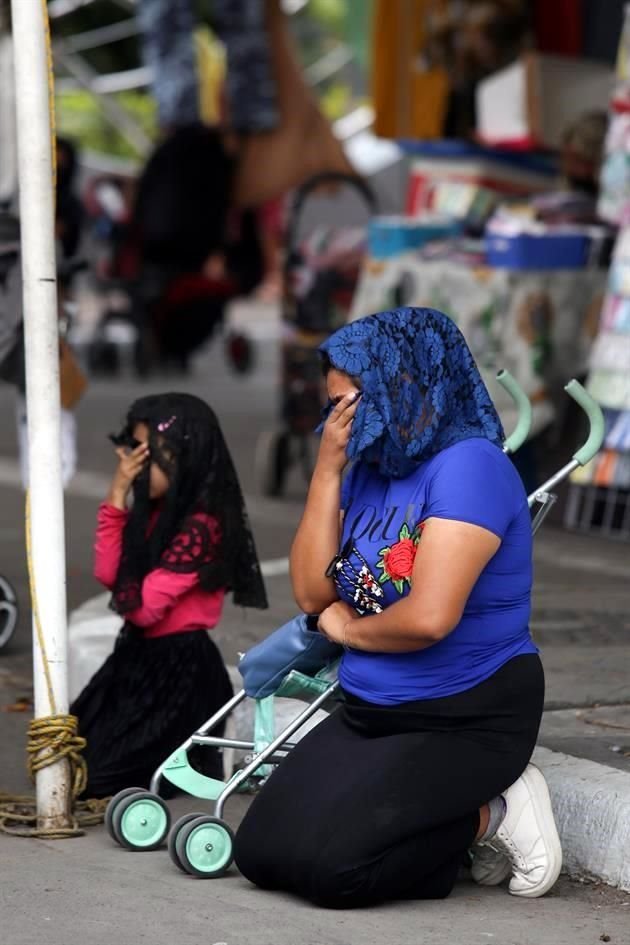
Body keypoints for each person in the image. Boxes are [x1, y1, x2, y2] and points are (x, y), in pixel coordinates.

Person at [234, 306, 562, 908]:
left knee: (339, 873)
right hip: (370, 707)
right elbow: (312, 594)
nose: (340, 421)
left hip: (465, 712)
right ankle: (440, 824)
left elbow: (429, 619)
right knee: (260, 853)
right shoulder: (369, 463)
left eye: (349, 403)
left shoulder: (471, 466)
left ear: (403, 382)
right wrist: (327, 472)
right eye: (334, 406)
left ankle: (492, 815)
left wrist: (347, 631)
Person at [71, 392, 268, 798]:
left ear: (183, 457)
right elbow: (107, 574)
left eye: (149, 454)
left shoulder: (203, 526)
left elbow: (142, 609)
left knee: (100, 779)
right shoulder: (155, 511)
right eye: (134, 451)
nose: (136, 465)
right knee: (69, 760)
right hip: (136, 657)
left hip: (179, 673)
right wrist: (116, 495)